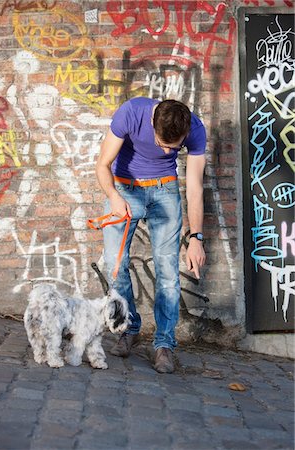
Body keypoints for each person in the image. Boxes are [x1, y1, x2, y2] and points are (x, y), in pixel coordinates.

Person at [96, 97, 206, 373]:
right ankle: (129, 329)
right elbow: (102, 164)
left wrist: (196, 238)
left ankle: (164, 344)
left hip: (164, 191)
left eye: (175, 148)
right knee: (114, 264)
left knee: (168, 271)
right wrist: (113, 196)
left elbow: (194, 189)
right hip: (124, 189)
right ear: (152, 122)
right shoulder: (131, 113)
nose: (169, 153)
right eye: (162, 145)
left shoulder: (194, 128)